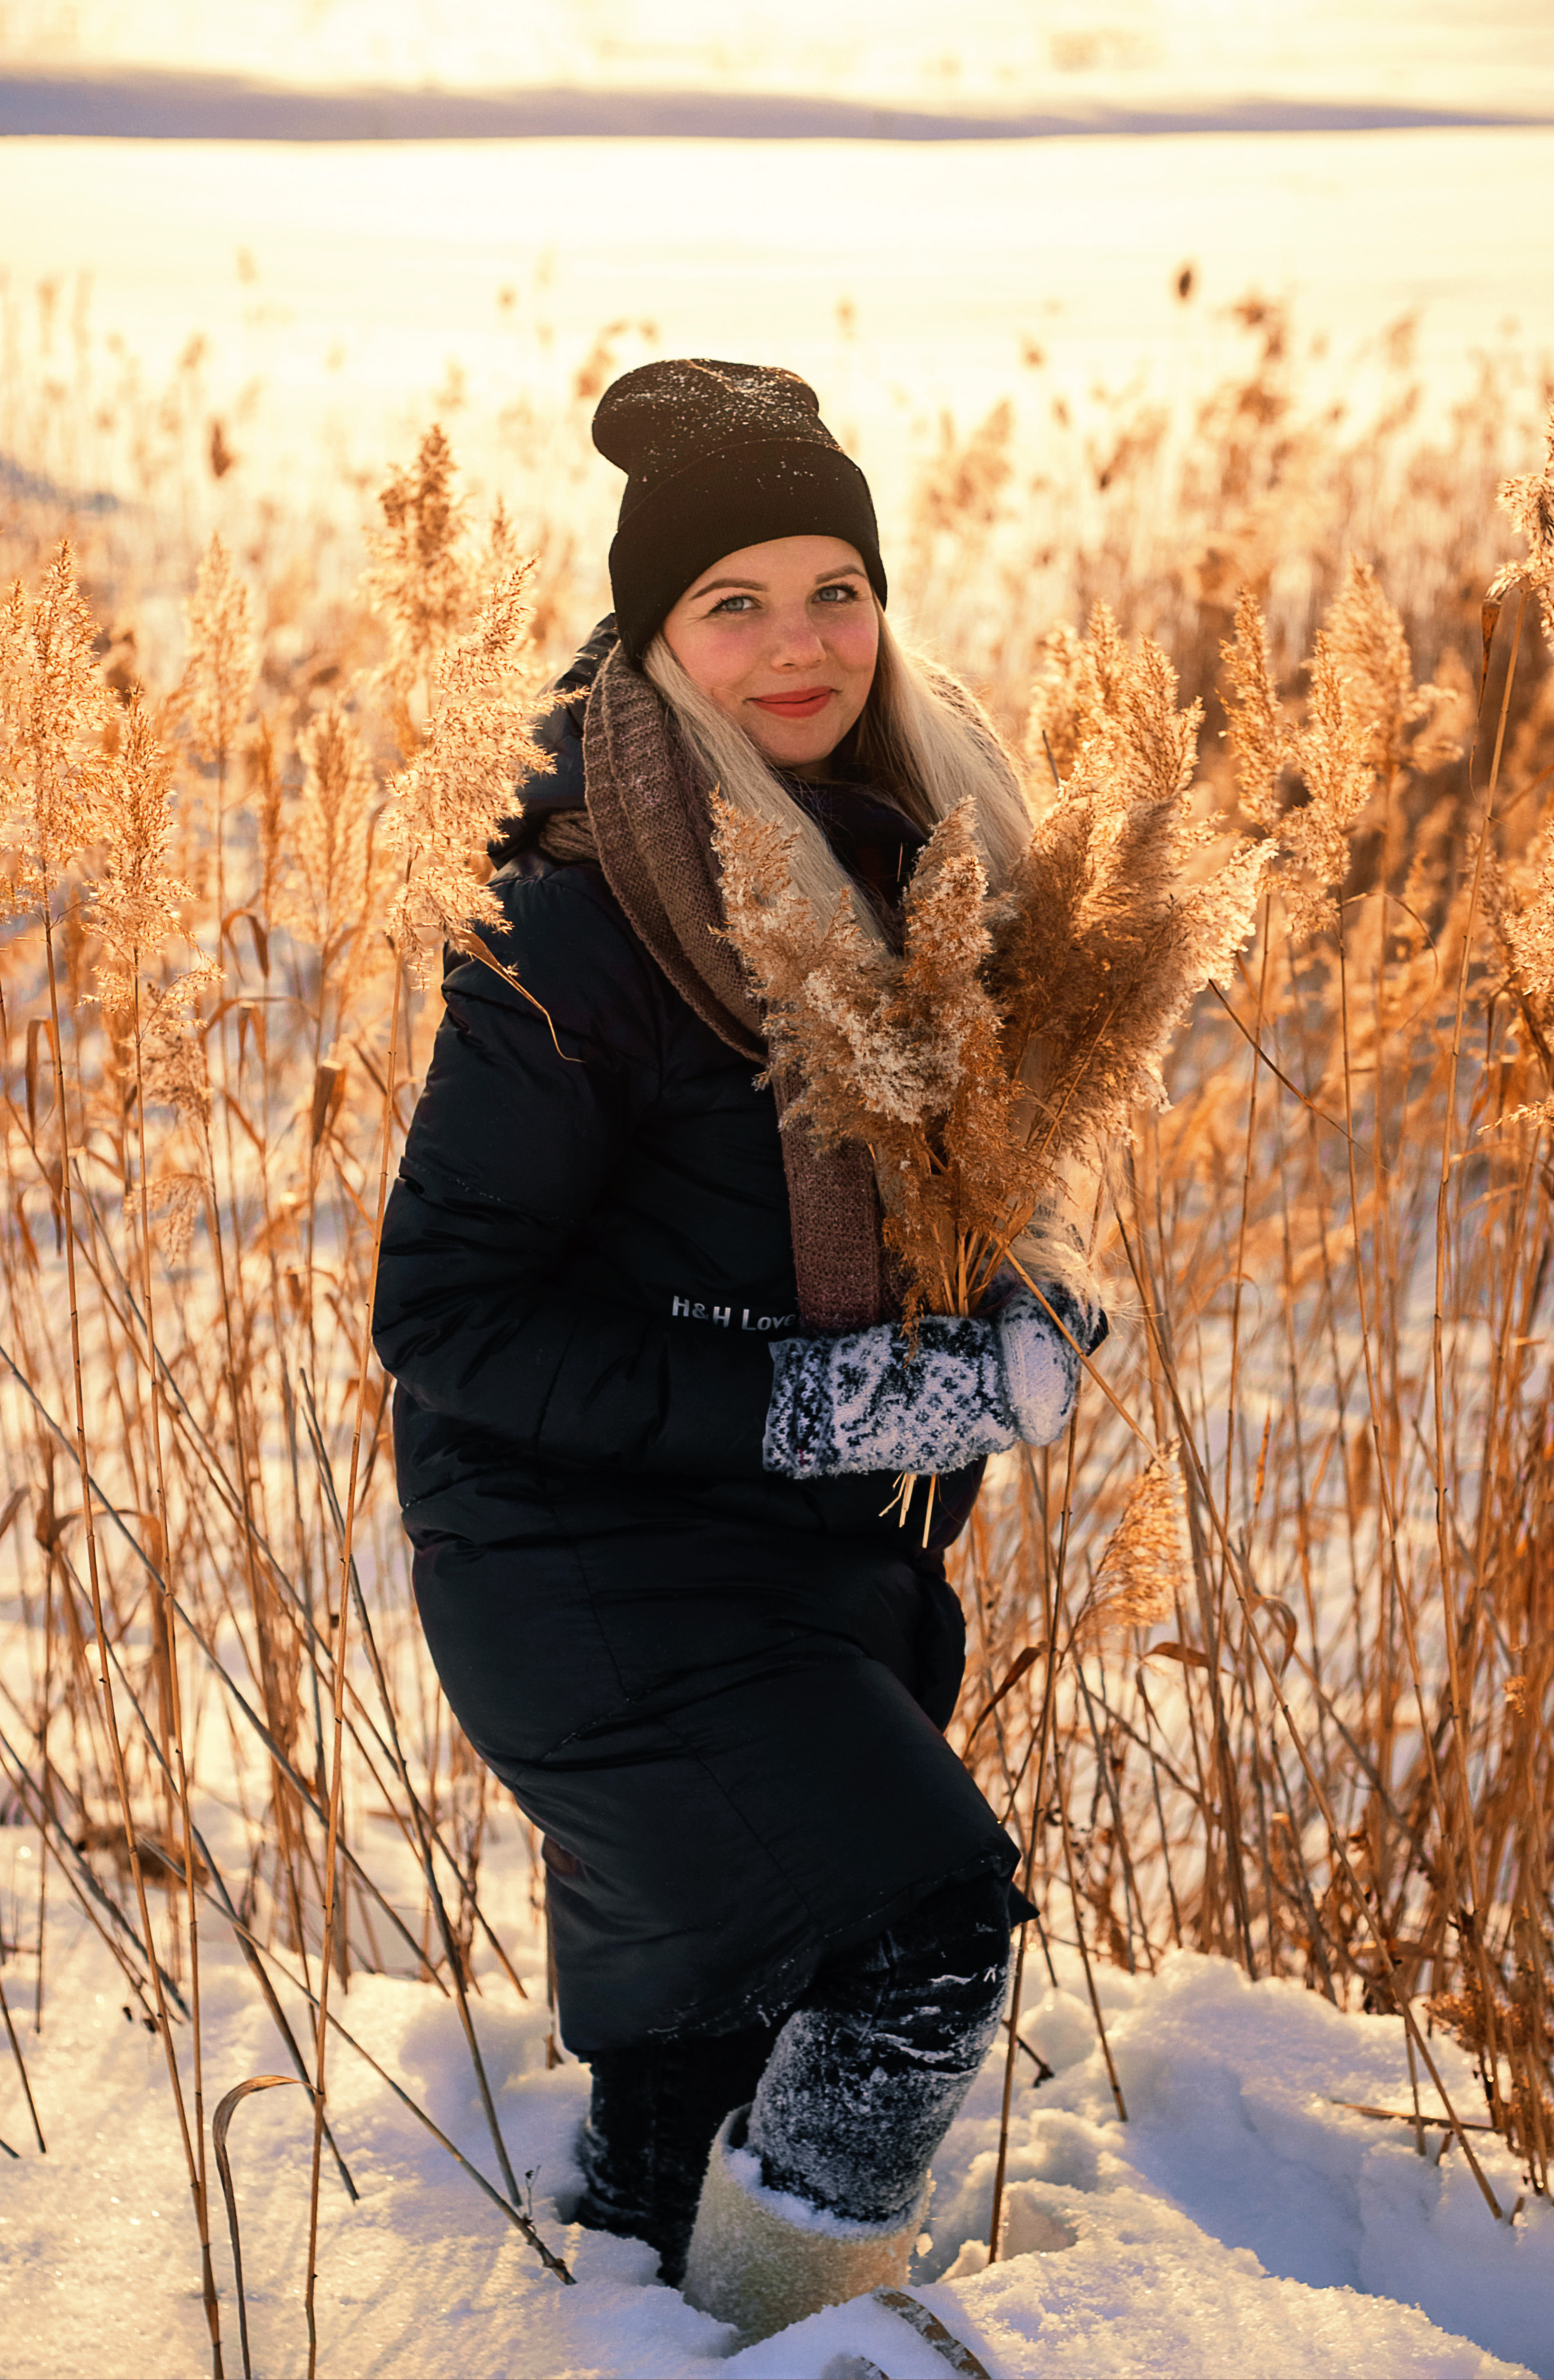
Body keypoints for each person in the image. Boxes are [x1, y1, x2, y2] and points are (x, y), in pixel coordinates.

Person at [372, 358, 1102, 2347]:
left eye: (833, 588)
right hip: (583, 1557)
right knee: (922, 1936)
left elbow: (923, 1190)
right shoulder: (590, 912)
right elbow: (441, 1317)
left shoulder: (903, 841)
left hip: (794, 1549)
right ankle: (798, 2331)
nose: (799, 647)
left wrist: (1005, 1307)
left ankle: (639, 2293)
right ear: (655, 632)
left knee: (707, 2032)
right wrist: (829, 1399)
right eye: (734, 602)